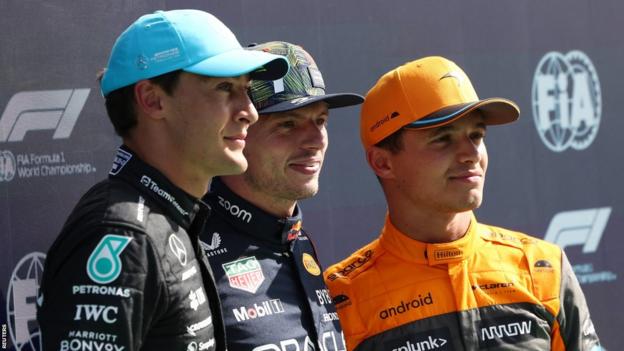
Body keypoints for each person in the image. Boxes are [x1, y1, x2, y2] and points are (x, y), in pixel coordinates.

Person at [37, 10, 288, 351]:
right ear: (153, 100)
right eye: (225, 87)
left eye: (246, 90)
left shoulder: (166, 217)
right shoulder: (124, 233)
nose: (250, 111)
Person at [324, 56, 601, 351]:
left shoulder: (542, 268)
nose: (470, 154)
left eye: (476, 135)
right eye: (442, 139)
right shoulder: (342, 297)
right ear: (383, 162)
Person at [199, 41, 363, 350]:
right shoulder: (190, 250)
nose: (315, 140)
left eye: (321, 120)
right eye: (287, 124)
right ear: (238, 131)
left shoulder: (296, 240)